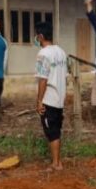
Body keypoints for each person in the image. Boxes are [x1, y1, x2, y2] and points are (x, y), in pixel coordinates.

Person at [34, 21, 68, 171]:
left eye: (37, 36)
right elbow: (64, 76)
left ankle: (56, 163)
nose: (36, 38)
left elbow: (43, 79)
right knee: (56, 130)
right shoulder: (61, 52)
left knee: (51, 132)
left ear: (41, 36)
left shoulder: (43, 54)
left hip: (49, 98)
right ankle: (57, 161)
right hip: (59, 98)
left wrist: (39, 100)